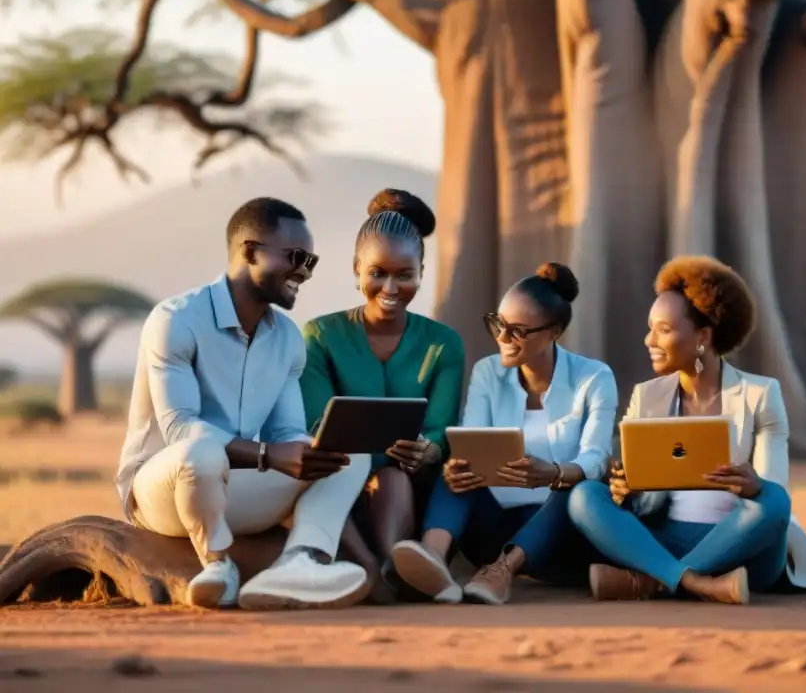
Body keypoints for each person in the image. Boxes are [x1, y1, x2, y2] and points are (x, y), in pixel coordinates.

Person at [115, 197, 371, 610]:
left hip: (238, 486)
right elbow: (180, 428)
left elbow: (285, 433)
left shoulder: (287, 338)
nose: (303, 272)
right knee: (199, 451)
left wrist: (304, 450)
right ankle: (218, 567)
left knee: (351, 453)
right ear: (250, 251)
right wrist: (269, 455)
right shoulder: (176, 320)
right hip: (162, 493)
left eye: (312, 261)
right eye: (296, 257)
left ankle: (299, 561)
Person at [568, 255, 806, 603]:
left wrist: (753, 484)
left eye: (664, 330)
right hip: (663, 538)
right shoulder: (647, 395)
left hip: (742, 546)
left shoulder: (761, 394)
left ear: (703, 335)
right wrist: (623, 487)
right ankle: (694, 583)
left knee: (775, 500)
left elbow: (772, 487)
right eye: (650, 327)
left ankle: (650, 581)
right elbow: (637, 490)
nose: (648, 340)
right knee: (584, 496)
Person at [390, 262, 617, 605]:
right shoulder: (488, 372)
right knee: (458, 469)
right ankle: (433, 560)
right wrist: (458, 466)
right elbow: (471, 438)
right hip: (492, 526)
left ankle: (501, 572)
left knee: (579, 487)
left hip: (558, 533)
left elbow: (596, 458)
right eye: (498, 324)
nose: (502, 339)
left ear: (554, 331)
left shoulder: (594, 378)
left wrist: (553, 474)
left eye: (518, 331)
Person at [299, 189, 465, 603]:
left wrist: (428, 450)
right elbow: (316, 426)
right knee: (382, 474)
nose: (391, 287)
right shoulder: (320, 336)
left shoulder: (443, 343)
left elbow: (442, 430)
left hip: (416, 489)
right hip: (340, 482)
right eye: (378, 273)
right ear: (357, 269)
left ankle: (394, 567)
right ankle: (395, 570)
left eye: (404, 275)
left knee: (394, 477)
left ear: (421, 272)